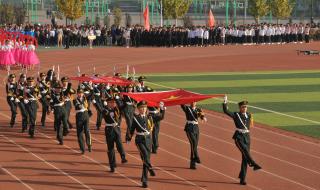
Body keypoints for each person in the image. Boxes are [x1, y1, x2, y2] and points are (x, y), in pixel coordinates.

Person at [222, 95, 262, 185]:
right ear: (240, 108)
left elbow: (249, 125)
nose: (245, 108)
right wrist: (225, 101)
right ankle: (253, 164)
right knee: (245, 152)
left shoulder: (249, 115)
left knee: (245, 158)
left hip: (247, 137)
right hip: (239, 137)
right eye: (243, 107)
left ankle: (242, 179)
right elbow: (226, 111)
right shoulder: (236, 115)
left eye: (246, 107)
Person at [128, 101, 157, 188]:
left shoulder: (149, 117)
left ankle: (144, 180)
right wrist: (129, 138)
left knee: (145, 160)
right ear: (138, 109)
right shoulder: (135, 118)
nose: (143, 109)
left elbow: (160, 117)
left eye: (145, 107)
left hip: (148, 139)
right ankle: (150, 168)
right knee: (144, 155)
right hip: (139, 140)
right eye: (141, 108)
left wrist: (162, 109)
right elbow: (132, 129)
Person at [100, 95, 128, 173]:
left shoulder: (118, 109)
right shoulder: (105, 110)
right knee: (111, 148)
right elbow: (103, 112)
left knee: (119, 144)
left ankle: (123, 157)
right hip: (109, 130)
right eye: (111, 102)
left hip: (117, 129)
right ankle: (112, 165)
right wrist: (105, 108)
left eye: (114, 102)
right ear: (108, 103)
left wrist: (121, 98)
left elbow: (125, 105)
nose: (113, 104)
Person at [181, 102, 207, 169]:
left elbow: (201, 116)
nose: (193, 103)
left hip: (196, 128)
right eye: (192, 102)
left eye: (194, 102)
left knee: (194, 145)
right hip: (189, 128)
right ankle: (197, 157)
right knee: (194, 143)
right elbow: (182, 104)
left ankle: (192, 164)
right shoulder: (187, 108)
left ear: (196, 103)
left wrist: (203, 118)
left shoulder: (198, 109)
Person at [73, 89, 92, 154]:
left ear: (83, 93)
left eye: (81, 93)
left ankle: (89, 144)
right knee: (79, 133)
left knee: (87, 130)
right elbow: (78, 106)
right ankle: (82, 148)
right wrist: (81, 104)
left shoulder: (85, 98)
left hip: (85, 115)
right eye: (79, 93)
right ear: (77, 94)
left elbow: (92, 94)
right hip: (79, 116)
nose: (80, 94)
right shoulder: (75, 100)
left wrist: (91, 87)